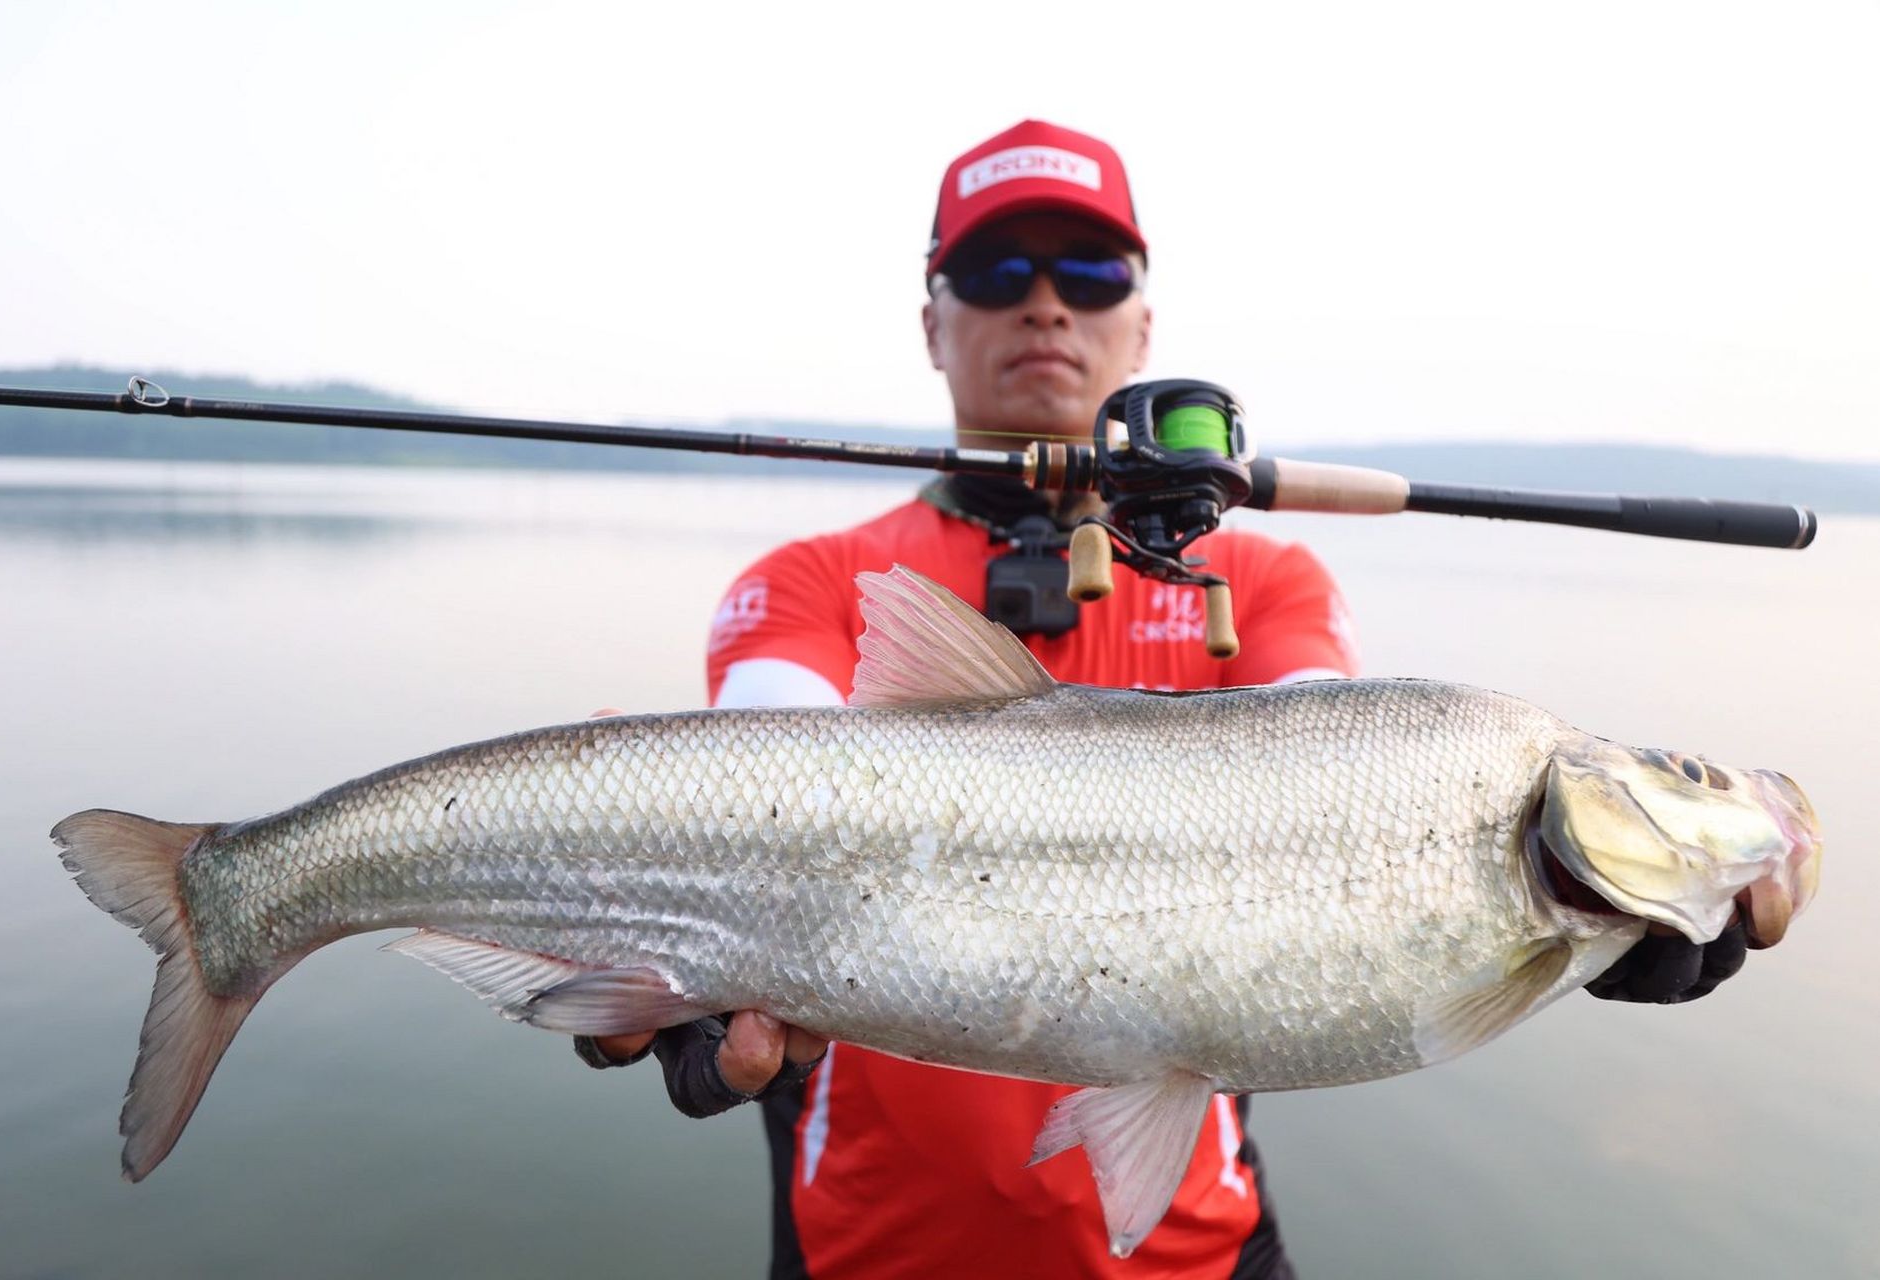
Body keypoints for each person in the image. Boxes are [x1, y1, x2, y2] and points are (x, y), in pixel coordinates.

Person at [575, 120, 1752, 1279]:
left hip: (1202, 1254)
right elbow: (746, 777)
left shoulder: (1262, 583)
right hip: (862, 1253)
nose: (1046, 306)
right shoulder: (811, 584)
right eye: (995, 271)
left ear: (1141, 322)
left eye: (1090, 273)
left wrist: (1558, 902)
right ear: (932, 323)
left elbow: (1346, 781)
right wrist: (668, 939)